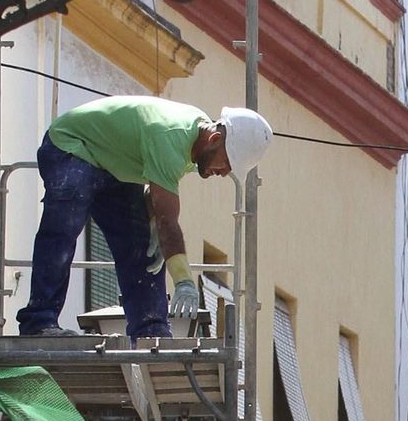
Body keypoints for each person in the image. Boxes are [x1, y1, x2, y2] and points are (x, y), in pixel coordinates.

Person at [20, 96, 273, 341]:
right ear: (215, 139)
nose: (224, 172)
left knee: (142, 247)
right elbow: (168, 221)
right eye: (227, 162)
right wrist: (183, 279)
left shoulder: (196, 141)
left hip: (114, 164)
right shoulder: (171, 134)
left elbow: (158, 189)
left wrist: (151, 222)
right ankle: (39, 322)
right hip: (72, 146)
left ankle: (151, 332)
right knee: (65, 224)